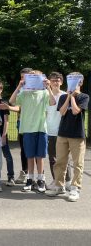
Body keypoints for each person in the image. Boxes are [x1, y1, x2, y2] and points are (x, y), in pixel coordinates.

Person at [9, 70, 55, 193]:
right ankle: (30, 179)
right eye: (32, 76)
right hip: (28, 129)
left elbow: (53, 102)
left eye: (37, 76)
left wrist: (49, 87)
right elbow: (12, 101)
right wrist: (19, 86)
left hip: (41, 128)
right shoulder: (24, 93)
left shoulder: (44, 92)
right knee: (29, 156)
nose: (34, 78)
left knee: (40, 157)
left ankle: (41, 180)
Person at [47, 72, 89, 202]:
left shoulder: (84, 96)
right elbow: (62, 111)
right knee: (60, 162)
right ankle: (59, 186)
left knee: (77, 163)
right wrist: (68, 96)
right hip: (63, 134)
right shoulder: (63, 96)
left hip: (77, 135)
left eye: (76, 81)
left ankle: (75, 188)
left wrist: (73, 97)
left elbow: (76, 111)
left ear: (80, 83)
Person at [45, 72, 71, 189]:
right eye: (53, 80)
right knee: (52, 158)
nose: (56, 82)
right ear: (49, 81)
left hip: (63, 131)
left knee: (64, 158)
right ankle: (56, 180)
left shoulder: (66, 95)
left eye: (58, 80)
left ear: (61, 82)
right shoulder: (45, 95)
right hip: (49, 131)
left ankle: (68, 181)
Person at [0, 79, 15, 186]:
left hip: (1, 134)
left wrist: (4, 135)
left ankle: (11, 177)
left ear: (1, 90)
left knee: (7, 155)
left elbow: (6, 120)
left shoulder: (4, 103)